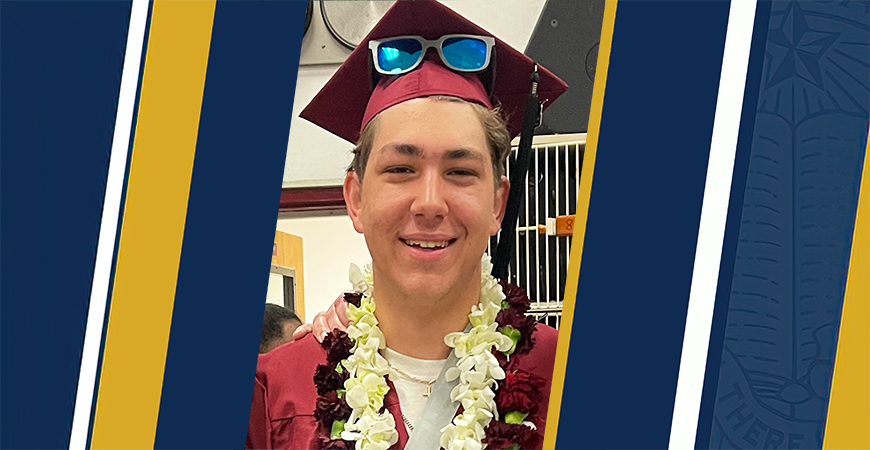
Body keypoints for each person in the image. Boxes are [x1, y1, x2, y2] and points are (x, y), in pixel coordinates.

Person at [248, 2, 567, 449]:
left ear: (499, 203)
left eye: (460, 172)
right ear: (356, 199)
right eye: (400, 169)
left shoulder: (565, 373)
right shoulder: (273, 393)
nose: (430, 203)